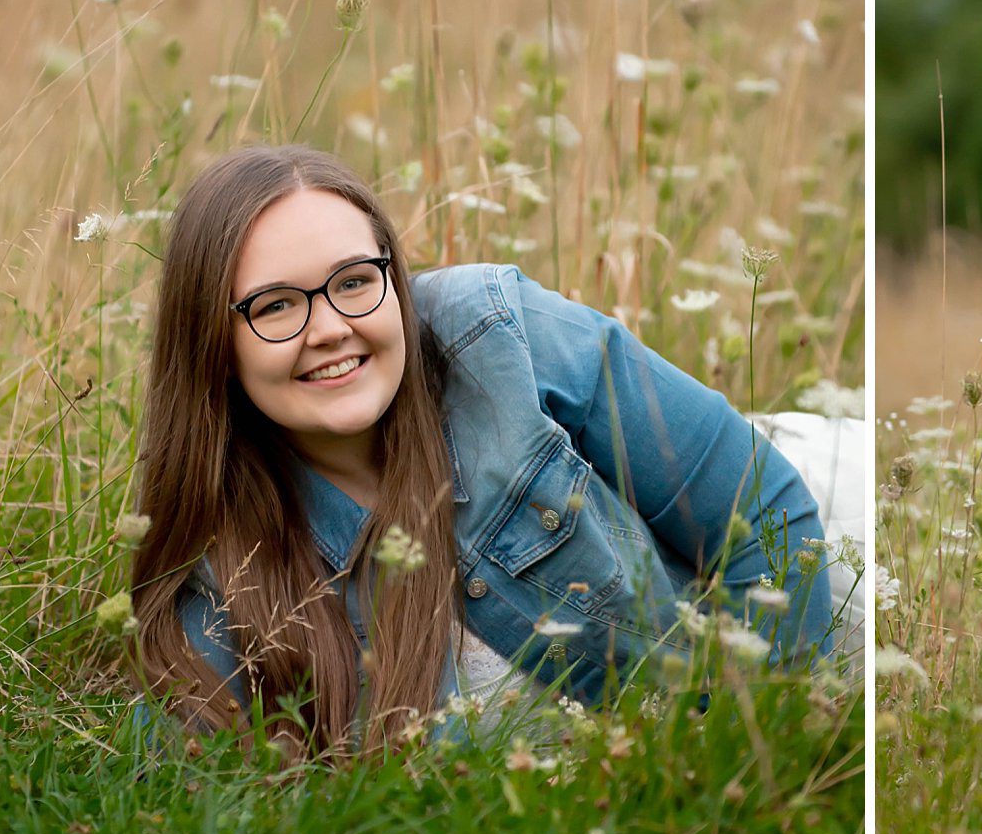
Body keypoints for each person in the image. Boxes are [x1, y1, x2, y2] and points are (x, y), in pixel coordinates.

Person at [129, 145, 853, 754]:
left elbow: (765, 510)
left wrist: (762, 760)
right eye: (276, 305)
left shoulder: (494, 334)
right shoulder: (227, 596)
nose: (329, 328)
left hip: (838, 544)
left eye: (355, 281)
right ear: (213, 346)